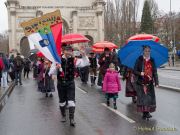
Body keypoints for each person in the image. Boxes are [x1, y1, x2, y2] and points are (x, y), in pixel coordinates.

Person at [134, 46, 159, 120]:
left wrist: (156, 82)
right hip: (141, 82)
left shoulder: (152, 60)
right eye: (146, 51)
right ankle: (145, 113)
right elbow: (134, 71)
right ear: (143, 51)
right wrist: (140, 73)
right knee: (143, 98)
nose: (147, 52)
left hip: (150, 82)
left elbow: (154, 71)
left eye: (149, 51)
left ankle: (146, 112)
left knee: (149, 98)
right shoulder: (139, 60)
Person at [56, 46, 76, 127]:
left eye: (70, 51)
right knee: (62, 101)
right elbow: (52, 71)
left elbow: (84, 63)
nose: (69, 52)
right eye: (67, 50)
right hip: (61, 83)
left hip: (70, 83)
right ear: (63, 51)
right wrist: (57, 68)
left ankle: (71, 118)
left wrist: (84, 56)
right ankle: (63, 115)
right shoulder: (58, 59)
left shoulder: (74, 59)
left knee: (71, 101)